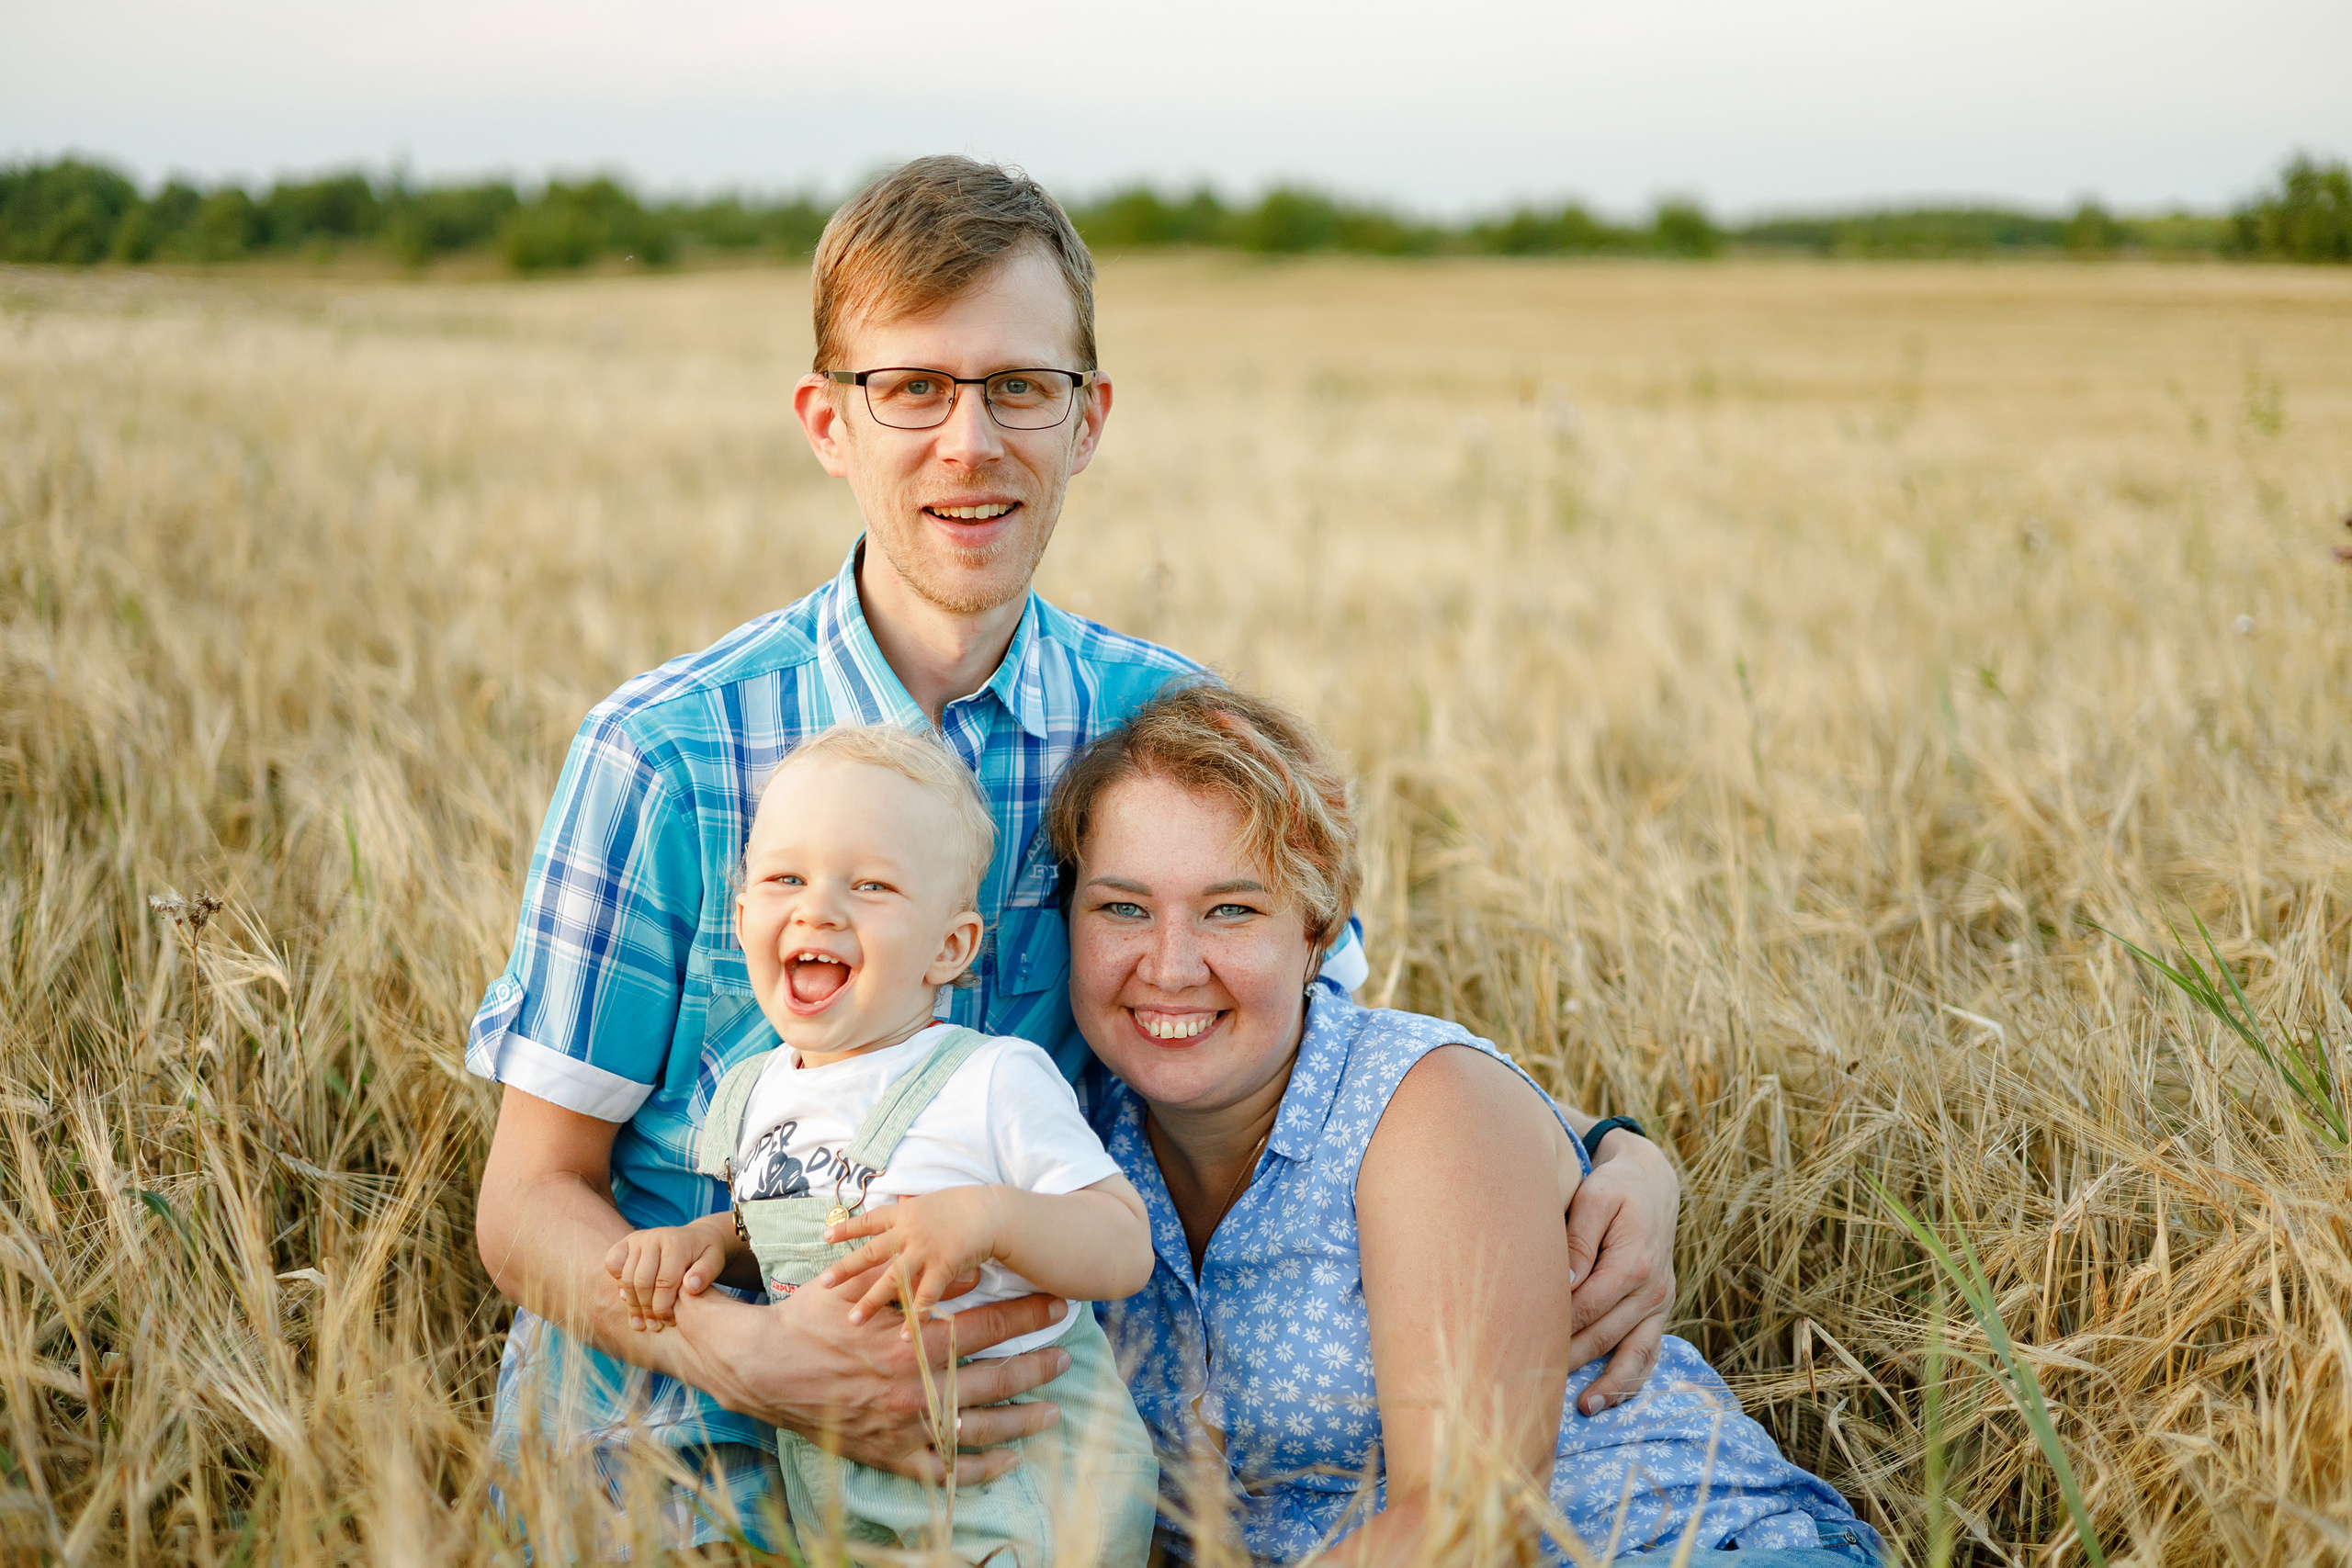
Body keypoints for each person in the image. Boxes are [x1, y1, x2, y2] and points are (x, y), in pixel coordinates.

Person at [469, 154, 1684, 1549]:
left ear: (1087, 417)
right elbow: (526, 1199)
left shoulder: (1161, 732)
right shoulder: (668, 755)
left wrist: (1616, 1155)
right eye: (912, 387)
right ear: (826, 420)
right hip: (682, 1454)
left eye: (1018, 387)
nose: (970, 443)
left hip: (1028, 1486)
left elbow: (1333, 1083)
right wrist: (751, 1358)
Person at [1051, 682, 1883, 1565]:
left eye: (1232, 909)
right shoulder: (1067, 1149)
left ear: (1319, 931)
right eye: (1123, 908)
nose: (1172, 965)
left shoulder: (1424, 1104)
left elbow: (1467, 1523)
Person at [603, 724, 1158, 1563]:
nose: (818, 906)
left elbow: (1124, 1247)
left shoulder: (991, 1079)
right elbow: (784, 1236)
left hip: (1016, 1479)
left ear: (950, 946)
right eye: (786, 876)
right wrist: (703, 1244)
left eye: (870, 885)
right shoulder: (754, 1091)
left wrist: (992, 1220)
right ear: (745, 913)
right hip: (845, 1474)